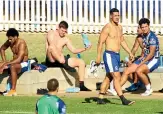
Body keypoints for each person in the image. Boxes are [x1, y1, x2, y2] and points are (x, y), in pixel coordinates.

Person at [95, 8, 135, 105]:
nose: (117, 17)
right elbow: (100, 43)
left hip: (117, 55)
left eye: (118, 15)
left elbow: (122, 41)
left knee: (108, 77)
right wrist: (98, 56)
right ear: (111, 16)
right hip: (109, 55)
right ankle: (123, 99)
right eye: (115, 15)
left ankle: (100, 98)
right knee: (116, 76)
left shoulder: (119, 27)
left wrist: (130, 52)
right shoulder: (107, 28)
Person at [45, 21, 91, 91]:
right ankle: (60, 60)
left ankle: (81, 85)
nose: (63, 33)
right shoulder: (51, 33)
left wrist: (85, 49)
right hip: (51, 59)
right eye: (62, 31)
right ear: (58, 28)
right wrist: (60, 57)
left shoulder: (65, 39)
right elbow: (52, 45)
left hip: (61, 59)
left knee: (81, 62)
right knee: (51, 47)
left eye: (65, 31)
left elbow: (73, 50)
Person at [135, 18, 160, 96]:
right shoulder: (144, 36)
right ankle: (142, 86)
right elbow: (145, 49)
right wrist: (141, 56)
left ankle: (148, 89)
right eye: (142, 27)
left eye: (146, 27)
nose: (144, 29)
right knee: (134, 69)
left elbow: (151, 54)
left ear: (149, 26)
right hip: (148, 59)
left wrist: (142, 62)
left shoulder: (152, 37)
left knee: (138, 71)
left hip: (154, 59)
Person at [0, 28, 29, 96]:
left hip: (23, 63)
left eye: (11, 39)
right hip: (14, 62)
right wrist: (4, 61)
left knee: (12, 67)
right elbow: (2, 49)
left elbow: (19, 59)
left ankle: (13, 90)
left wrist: (6, 63)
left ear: (15, 37)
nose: (9, 41)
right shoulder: (9, 42)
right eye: (8, 39)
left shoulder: (21, 43)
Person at [120, 25, 144, 92]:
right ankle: (136, 83)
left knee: (137, 64)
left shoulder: (148, 37)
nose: (137, 30)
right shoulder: (138, 38)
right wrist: (130, 58)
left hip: (149, 58)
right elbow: (134, 49)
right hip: (143, 57)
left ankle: (136, 83)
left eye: (139, 28)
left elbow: (148, 51)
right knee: (129, 63)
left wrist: (140, 58)